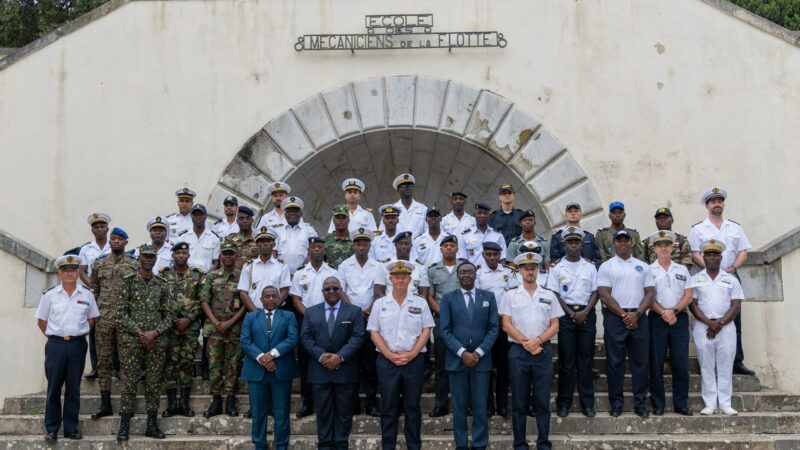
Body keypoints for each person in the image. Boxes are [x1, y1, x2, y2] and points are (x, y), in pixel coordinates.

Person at [367, 261, 435, 450]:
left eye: (404, 277)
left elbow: (426, 330)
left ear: (410, 280)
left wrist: (412, 354)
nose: (400, 280)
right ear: (390, 279)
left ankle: (414, 446)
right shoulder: (380, 304)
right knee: (388, 407)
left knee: (413, 407)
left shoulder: (420, 303)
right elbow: (374, 332)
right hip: (387, 362)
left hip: (413, 362)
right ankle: (388, 446)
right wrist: (389, 354)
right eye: (396, 277)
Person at [499, 252, 562, 450]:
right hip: (518, 352)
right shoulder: (510, 295)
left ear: (538, 271)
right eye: (526, 268)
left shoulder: (548, 294)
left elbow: (555, 325)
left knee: (542, 401)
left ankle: (543, 442)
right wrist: (526, 342)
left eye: (533, 268)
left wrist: (538, 341)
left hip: (542, 352)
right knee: (519, 401)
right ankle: (520, 443)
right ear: (519, 271)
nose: (530, 272)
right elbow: (506, 325)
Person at [688, 187, 754, 376]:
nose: (717, 204)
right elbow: (695, 255)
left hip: (731, 276)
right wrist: (711, 268)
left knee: (735, 320)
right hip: (706, 278)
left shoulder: (735, 227)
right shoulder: (698, 229)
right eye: (713, 201)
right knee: (705, 315)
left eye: (720, 201)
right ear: (707, 205)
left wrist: (732, 269)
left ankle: (736, 362)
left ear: (723, 204)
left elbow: (743, 252)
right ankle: (707, 360)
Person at [35, 255, 100, 442]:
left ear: (78, 272)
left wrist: (78, 336)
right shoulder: (50, 295)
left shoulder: (87, 294)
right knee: (54, 388)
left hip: (78, 345)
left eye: (73, 270)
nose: (70, 273)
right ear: (60, 273)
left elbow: (91, 320)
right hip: (56, 345)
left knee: (73, 388)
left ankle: (71, 428)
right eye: (66, 270)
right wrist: (55, 338)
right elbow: (42, 321)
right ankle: (52, 428)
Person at [115, 244, 175, 442]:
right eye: (145, 256)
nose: (148, 260)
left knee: (153, 383)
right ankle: (124, 425)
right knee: (129, 383)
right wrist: (142, 333)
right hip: (132, 341)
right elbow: (120, 314)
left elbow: (169, 315)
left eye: (152, 257)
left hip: (156, 342)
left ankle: (151, 424)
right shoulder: (128, 282)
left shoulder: (162, 283)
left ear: (156, 259)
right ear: (139, 258)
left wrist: (155, 333)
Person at [300, 277, 365, 449]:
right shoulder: (311, 312)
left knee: (344, 413)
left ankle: (341, 444)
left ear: (341, 290)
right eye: (327, 289)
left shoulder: (354, 311)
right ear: (322, 292)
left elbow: (358, 336)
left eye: (335, 288)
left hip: (345, 370)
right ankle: (325, 444)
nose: (331, 292)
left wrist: (340, 357)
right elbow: (305, 337)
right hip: (319, 371)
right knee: (323, 412)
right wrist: (321, 356)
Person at [440, 262, 499, 450]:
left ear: (475, 274)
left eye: (470, 272)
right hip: (457, 361)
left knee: (480, 406)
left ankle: (480, 443)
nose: (466, 275)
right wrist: (462, 353)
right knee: (459, 407)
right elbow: (445, 330)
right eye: (463, 272)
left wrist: (479, 353)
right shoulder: (448, 298)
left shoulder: (488, 297)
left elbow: (493, 328)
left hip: (481, 361)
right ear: (457, 275)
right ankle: (461, 444)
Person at [597, 230, 655, 417]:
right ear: (613, 244)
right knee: (615, 362)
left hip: (639, 317)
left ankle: (640, 403)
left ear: (631, 243)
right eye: (618, 240)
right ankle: (616, 403)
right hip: (616, 318)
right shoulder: (606, 266)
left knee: (641, 363)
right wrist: (624, 315)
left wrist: (636, 314)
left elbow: (650, 293)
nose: (622, 243)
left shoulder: (643, 266)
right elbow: (604, 295)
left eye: (626, 240)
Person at [546, 227, 599, 418]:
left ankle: (587, 403)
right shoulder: (556, 267)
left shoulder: (590, 266)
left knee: (586, 360)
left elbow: (595, 291)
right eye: (570, 242)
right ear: (564, 245)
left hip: (586, 314)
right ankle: (564, 403)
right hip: (566, 316)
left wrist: (585, 312)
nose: (574, 245)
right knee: (566, 362)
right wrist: (570, 314)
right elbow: (555, 293)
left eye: (577, 242)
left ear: (581, 244)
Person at [240, 286, 299, 450]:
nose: (271, 299)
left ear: (280, 299)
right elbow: (245, 341)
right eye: (268, 296)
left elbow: (293, 338)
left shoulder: (289, 316)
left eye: (275, 296)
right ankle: (259, 444)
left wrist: (272, 355)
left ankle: (281, 444)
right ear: (261, 299)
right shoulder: (251, 317)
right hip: (256, 371)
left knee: (281, 411)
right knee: (258, 412)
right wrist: (262, 358)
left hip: (281, 370)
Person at [689, 239, 743, 416]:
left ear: (721, 257)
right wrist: (709, 323)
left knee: (725, 365)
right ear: (703, 257)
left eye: (715, 254)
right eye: (709, 254)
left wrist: (719, 324)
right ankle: (710, 403)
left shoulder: (731, 279)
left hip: (725, 327)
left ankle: (726, 403)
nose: (712, 257)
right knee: (706, 365)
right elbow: (693, 305)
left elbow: (735, 305)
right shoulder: (696, 279)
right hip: (703, 326)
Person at [89, 227, 138, 419]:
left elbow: (137, 294)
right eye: (113, 239)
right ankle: (105, 403)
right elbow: (94, 291)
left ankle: (127, 404)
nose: (116, 242)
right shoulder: (99, 265)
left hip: (126, 322)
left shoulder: (134, 265)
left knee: (127, 363)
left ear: (126, 242)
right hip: (104, 321)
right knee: (104, 362)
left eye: (120, 239)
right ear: (110, 241)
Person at [336, 227, 384, 417]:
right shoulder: (344, 266)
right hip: (350, 319)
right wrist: (355, 311)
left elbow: (380, 292)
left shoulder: (378, 266)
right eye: (358, 244)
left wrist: (370, 309)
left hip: (372, 318)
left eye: (365, 244)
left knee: (370, 365)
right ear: (353, 245)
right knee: (351, 364)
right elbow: (340, 290)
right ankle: (353, 404)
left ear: (369, 245)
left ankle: (372, 404)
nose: (361, 247)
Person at [291, 236, 338, 418]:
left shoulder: (333, 272)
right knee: (306, 362)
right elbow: (296, 299)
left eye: (319, 247)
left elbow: (337, 296)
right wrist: (309, 316)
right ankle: (307, 402)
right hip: (307, 321)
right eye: (313, 247)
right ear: (308, 251)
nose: (316, 250)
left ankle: (328, 401)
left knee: (329, 359)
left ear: (324, 250)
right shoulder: (300, 273)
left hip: (329, 322)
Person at [647, 230, 693, 416]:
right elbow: (647, 296)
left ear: (672, 247)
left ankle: (680, 404)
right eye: (660, 245)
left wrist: (674, 311)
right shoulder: (649, 270)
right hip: (657, 319)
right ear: (655, 249)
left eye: (667, 245)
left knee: (681, 363)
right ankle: (658, 404)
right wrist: (663, 313)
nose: (663, 248)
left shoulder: (681, 270)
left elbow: (688, 295)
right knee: (656, 363)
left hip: (679, 318)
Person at [200, 242, 247, 418]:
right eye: (225, 254)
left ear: (235, 256)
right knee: (214, 365)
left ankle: (230, 400)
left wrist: (230, 322)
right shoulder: (212, 277)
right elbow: (204, 300)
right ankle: (216, 400)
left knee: (233, 365)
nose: (227, 257)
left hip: (234, 329)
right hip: (214, 330)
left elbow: (245, 302)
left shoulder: (242, 276)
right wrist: (214, 321)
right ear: (221, 256)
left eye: (231, 254)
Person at [159, 242, 204, 418]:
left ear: (188, 256)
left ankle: (184, 404)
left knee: (186, 363)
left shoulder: (197, 275)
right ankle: (171, 405)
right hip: (169, 327)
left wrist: (189, 318)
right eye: (177, 253)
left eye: (183, 253)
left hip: (190, 327)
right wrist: (170, 319)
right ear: (173, 255)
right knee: (170, 364)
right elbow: (160, 299)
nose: (180, 256)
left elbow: (202, 300)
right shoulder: (163, 275)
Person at [475, 241, 518, 417]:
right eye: (489, 254)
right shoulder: (478, 274)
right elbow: (477, 300)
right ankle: (488, 406)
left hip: (505, 326)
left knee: (503, 367)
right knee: (485, 367)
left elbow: (514, 297)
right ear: (483, 255)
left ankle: (502, 405)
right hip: (486, 327)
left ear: (500, 256)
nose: (492, 258)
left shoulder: (509, 273)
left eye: (495, 255)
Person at [425, 235, 462, 417]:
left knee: (461, 363)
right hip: (441, 320)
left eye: (452, 245)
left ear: (457, 249)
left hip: (462, 321)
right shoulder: (433, 270)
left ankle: (462, 404)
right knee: (441, 365)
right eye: (445, 245)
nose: (448, 248)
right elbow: (430, 297)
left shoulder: (464, 268)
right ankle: (440, 405)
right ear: (440, 249)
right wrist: (444, 313)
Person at [79, 213, 111, 380]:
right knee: (94, 330)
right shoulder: (86, 249)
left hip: (111, 294)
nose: (99, 229)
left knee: (113, 330)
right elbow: (82, 271)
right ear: (92, 230)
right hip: (93, 294)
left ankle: (114, 367)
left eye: (102, 227)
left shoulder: (114, 246)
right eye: (96, 227)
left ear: (107, 229)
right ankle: (95, 367)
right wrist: (92, 284)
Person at [238, 227, 291, 311]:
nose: (265, 244)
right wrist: (257, 313)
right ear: (257, 244)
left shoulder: (282, 266)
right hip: (253, 312)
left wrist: (271, 309)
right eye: (262, 241)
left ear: (274, 244)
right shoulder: (248, 266)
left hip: (275, 311)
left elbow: (284, 291)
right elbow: (243, 293)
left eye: (268, 241)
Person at [377, 231, 429, 298]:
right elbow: (379, 292)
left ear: (411, 246)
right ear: (395, 245)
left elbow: (423, 294)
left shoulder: (420, 267)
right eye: (400, 243)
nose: (403, 246)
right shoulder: (384, 265)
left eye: (406, 244)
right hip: (389, 305)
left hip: (413, 306)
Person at [550, 202, 602, 267]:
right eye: (570, 211)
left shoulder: (589, 237)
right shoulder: (557, 237)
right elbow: (554, 259)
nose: (573, 213)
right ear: (565, 216)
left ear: (581, 215)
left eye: (576, 211)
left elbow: (597, 259)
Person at [275, 196, 318, 274]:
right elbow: (273, 253)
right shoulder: (277, 230)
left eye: (295, 211)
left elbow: (313, 253)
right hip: (281, 274)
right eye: (289, 211)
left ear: (301, 214)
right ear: (284, 214)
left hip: (304, 273)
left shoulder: (309, 230)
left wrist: (300, 271)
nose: (292, 213)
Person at [183, 204, 220, 273]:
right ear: (191, 216)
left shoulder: (214, 238)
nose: (198, 217)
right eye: (195, 215)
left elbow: (216, 262)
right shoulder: (183, 237)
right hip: (186, 277)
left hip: (205, 276)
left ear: (205, 216)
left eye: (200, 215)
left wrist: (206, 277)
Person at [224, 206, 259, 271]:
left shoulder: (259, 240)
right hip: (233, 278)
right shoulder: (229, 239)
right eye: (241, 218)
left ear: (252, 220)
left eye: (248, 218)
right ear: (237, 221)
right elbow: (223, 259)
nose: (245, 221)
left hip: (252, 278)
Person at [324, 205, 354, 269]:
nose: (341, 220)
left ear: (348, 220)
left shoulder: (355, 241)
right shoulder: (325, 241)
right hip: (330, 277)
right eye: (338, 218)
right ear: (333, 220)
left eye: (343, 218)